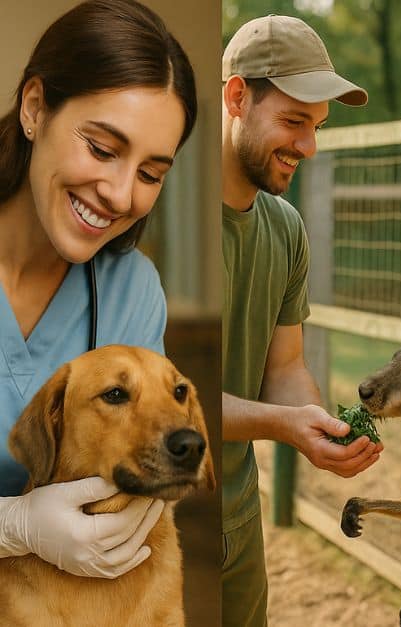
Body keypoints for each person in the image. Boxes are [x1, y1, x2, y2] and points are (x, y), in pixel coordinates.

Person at [0, 0, 196, 579]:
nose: (118, 193)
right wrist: (15, 528)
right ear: (35, 108)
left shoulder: (130, 291)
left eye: (150, 174)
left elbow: (145, 476)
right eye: (103, 149)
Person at [221, 15, 383, 626]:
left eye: (316, 127)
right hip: (141, 530)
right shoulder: (157, 211)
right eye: (293, 122)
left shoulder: (285, 228)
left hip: (236, 521)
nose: (308, 147)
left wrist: (316, 427)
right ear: (237, 97)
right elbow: (158, 408)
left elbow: (284, 368)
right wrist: (284, 425)